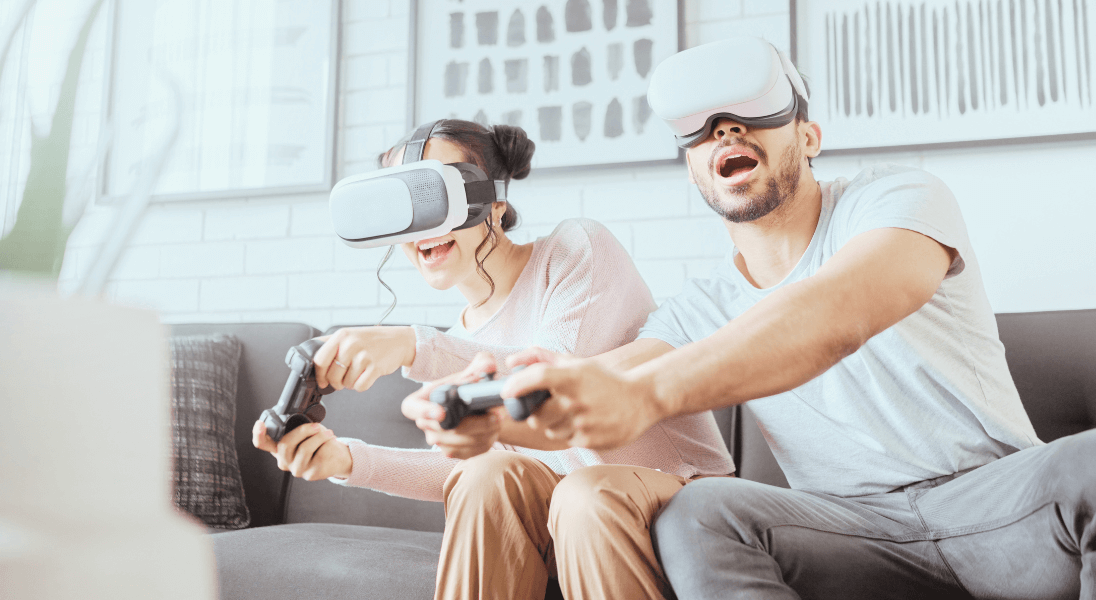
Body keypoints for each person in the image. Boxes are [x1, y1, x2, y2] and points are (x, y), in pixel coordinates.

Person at [482, 40, 1096, 599]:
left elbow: (839, 309)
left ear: (809, 136)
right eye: (704, 129)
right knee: (701, 514)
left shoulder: (897, 198)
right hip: (850, 530)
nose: (726, 130)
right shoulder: (696, 308)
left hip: (998, 506)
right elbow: (614, 372)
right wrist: (506, 397)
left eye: (752, 115)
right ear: (692, 173)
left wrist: (647, 392)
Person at [251, 119, 735, 600]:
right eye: (406, 204)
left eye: (438, 195)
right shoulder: (462, 340)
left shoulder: (574, 251)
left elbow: (550, 382)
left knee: (584, 492)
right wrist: (347, 458)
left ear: (496, 204)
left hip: (678, 493)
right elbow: (459, 469)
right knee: (484, 474)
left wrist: (411, 345)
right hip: (564, 519)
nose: (425, 225)